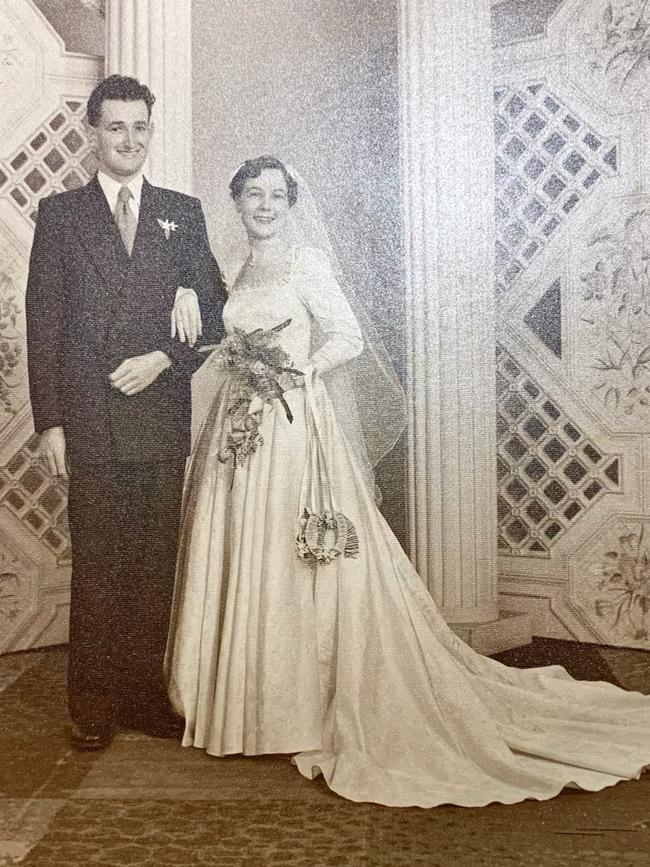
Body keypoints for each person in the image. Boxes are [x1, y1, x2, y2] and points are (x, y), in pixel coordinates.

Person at [166, 155, 650, 808]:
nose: (264, 205)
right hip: (240, 429)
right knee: (246, 553)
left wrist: (302, 370)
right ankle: (248, 706)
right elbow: (224, 337)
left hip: (294, 425)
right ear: (237, 201)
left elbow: (348, 336)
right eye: (253, 194)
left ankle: (296, 707)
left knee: (301, 559)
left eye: (276, 195)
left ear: (290, 202)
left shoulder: (307, 261)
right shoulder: (236, 264)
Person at [25, 75, 226, 751]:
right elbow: (43, 322)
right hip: (90, 417)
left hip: (159, 414)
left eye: (140, 127)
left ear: (150, 130)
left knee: (152, 561)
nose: (129, 140)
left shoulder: (182, 212)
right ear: (93, 132)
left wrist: (167, 358)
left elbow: (218, 308)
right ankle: (92, 701)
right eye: (116, 127)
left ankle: (143, 693)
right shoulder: (60, 216)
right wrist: (50, 420)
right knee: (101, 562)